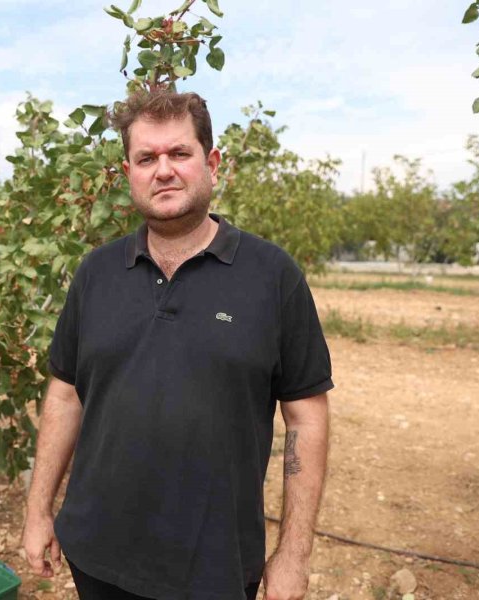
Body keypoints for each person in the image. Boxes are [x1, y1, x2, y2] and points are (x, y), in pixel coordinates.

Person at [21, 89, 333, 600]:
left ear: (211, 162)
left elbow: (307, 417)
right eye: (146, 158)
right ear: (129, 174)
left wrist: (294, 554)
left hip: (214, 567)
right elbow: (64, 394)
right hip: (96, 553)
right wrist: (38, 511)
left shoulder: (273, 277)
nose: (162, 169)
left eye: (179, 153)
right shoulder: (96, 274)